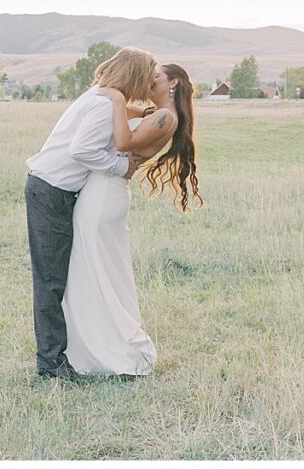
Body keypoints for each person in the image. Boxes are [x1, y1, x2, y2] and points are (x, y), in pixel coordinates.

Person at [24, 47, 157, 382]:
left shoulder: (101, 97)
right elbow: (81, 150)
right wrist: (121, 166)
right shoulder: (102, 105)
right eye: (149, 75)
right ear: (135, 75)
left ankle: (60, 356)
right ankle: (50, 365)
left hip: (55, 190)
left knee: (58, 278)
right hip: (51, 191)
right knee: (51, 281)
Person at [62, 63, 203, 377]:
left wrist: (115, 101)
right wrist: (115, 94)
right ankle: (94, 342)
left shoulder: (166, 117)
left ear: (174, 83)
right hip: (104, 189)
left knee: (96, 265)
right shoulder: (155, 113)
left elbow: (123, 143)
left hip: (105, 194)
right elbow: (121, 115)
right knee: (97, 265)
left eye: (156, 78)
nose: (149, 82)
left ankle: (109, 347)